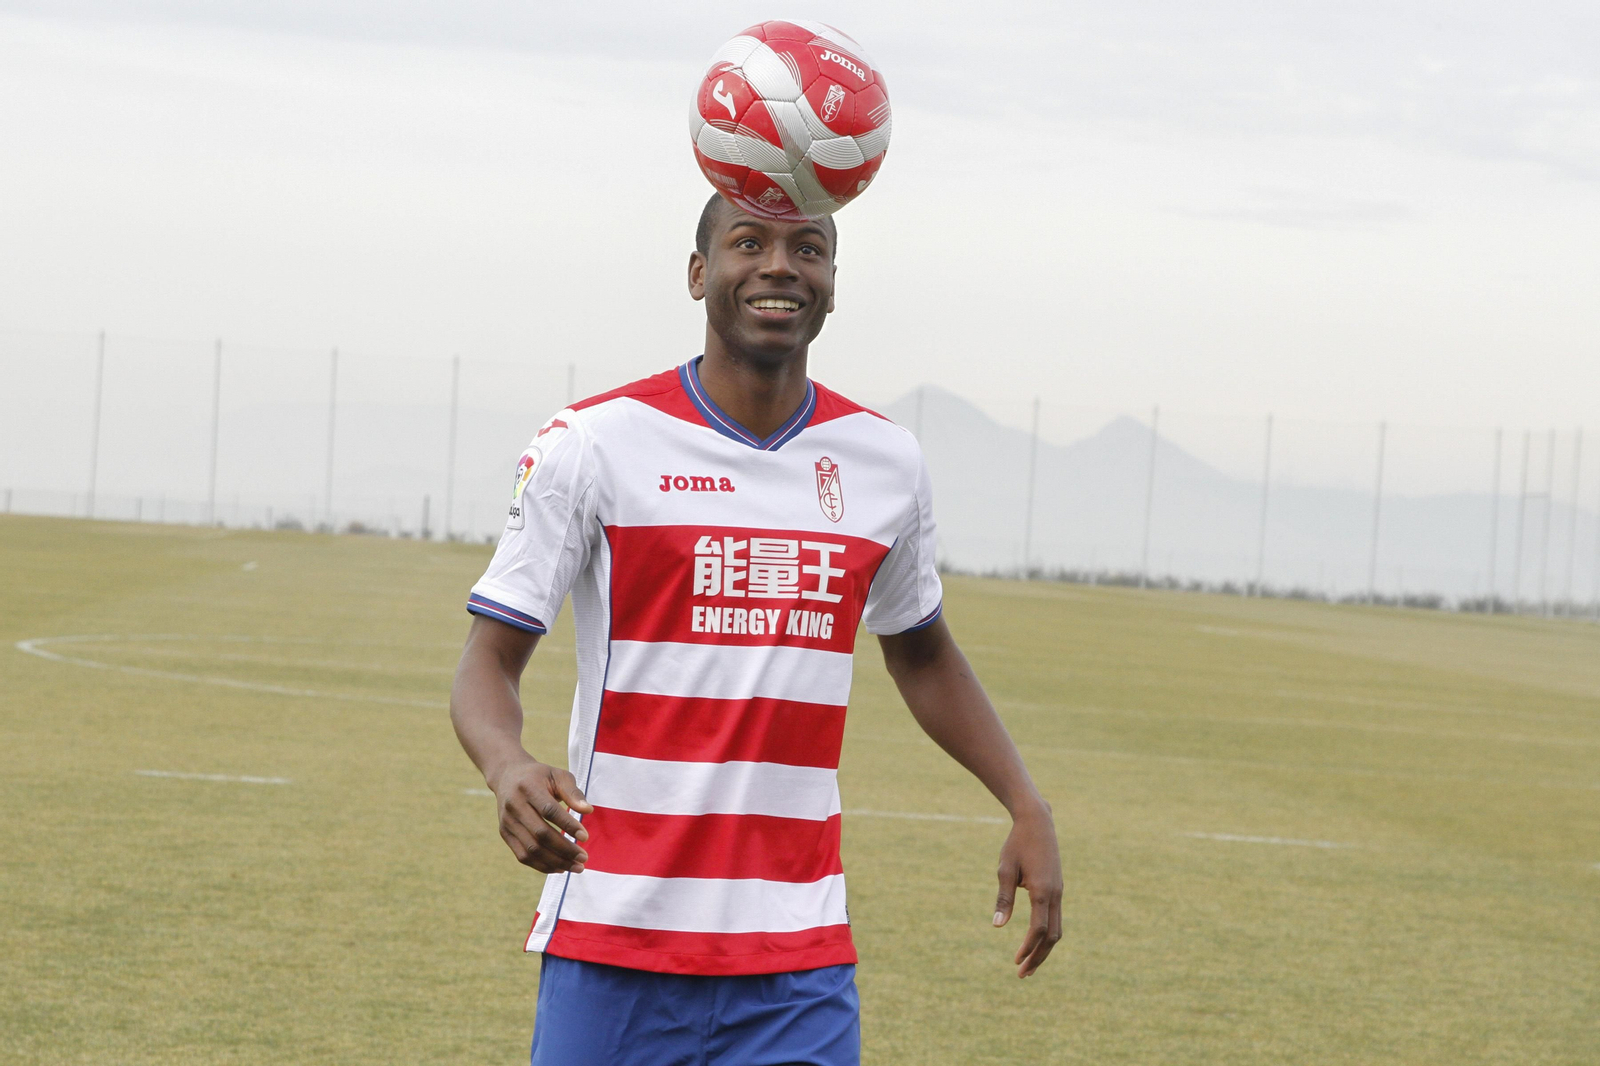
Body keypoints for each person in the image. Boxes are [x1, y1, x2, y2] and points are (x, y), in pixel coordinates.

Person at [450, 193, 1063, 1066]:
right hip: (614, 936)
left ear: (833, 286)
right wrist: (506, 764)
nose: (780, 266)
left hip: (796, 960)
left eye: (807, 249)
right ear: (700, 274)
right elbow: (488, 663)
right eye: (749, 243)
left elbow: (923, 652)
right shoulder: (594, 444)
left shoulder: (884, 463)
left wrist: (1025, 802)